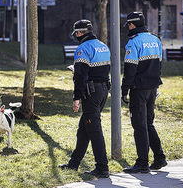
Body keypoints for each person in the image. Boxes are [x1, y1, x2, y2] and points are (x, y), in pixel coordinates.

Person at [59, 19, 111, 178]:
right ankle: (73, 164)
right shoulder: (103, 46)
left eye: (76, 33)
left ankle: (102, 168)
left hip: (91, 93)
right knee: (84, 129)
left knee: (94, 131)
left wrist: (76, 98)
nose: (75, 36)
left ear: (80, 33)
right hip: (102, 91)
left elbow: (80, 76)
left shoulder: (82, 48)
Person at [121, 12, 167, 173]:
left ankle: (142, 163)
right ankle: (160, 158)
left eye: (128, 25)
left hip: (138, 89)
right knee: (148, 123)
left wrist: (124, 89)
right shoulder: (155, 40)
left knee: (139, 126)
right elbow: (159, 65)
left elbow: (130, 70)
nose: (128, 27)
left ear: (132, 25)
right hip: (153, 88)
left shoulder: (133, 43)